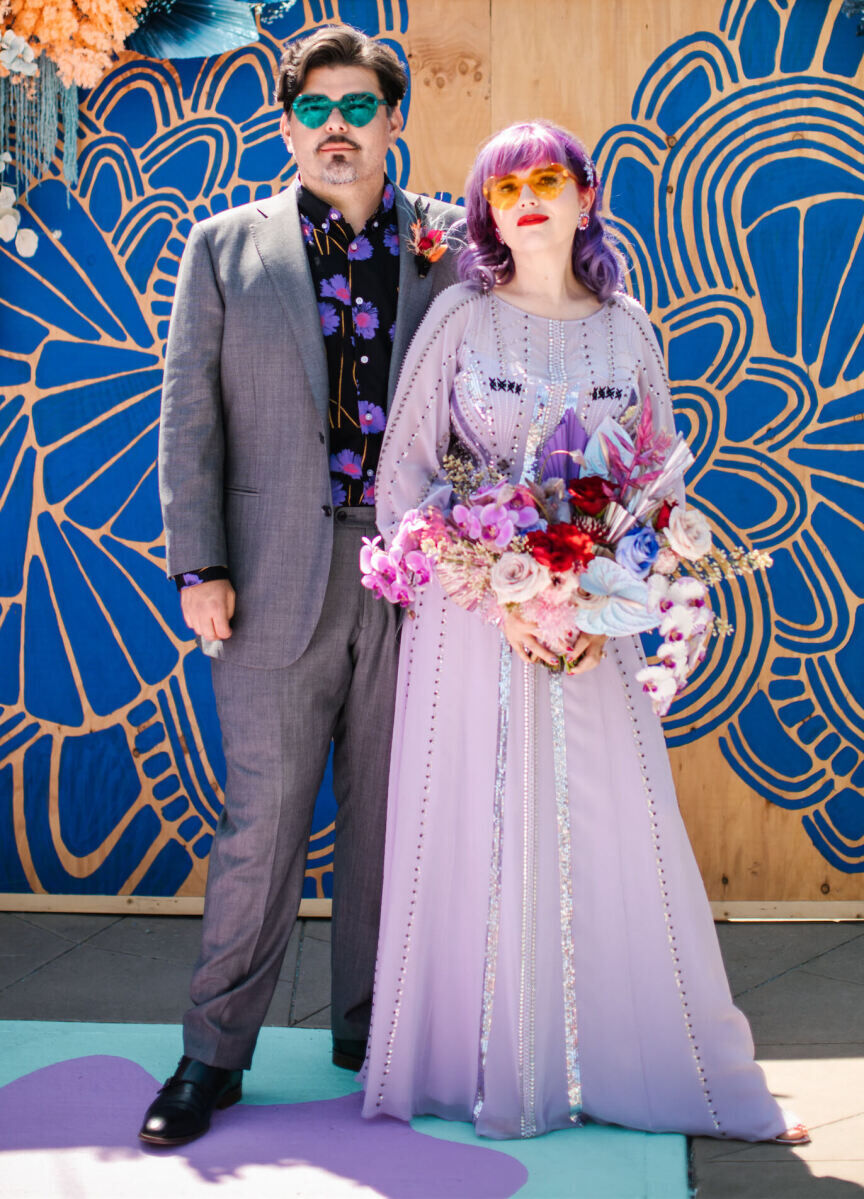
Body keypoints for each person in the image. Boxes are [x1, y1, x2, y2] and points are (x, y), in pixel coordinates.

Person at [360, 120, 809, 1145]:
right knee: (476, 820)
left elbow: (659, 485)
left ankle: (621, 1061)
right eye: (505, 183)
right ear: (484, 208)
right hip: (474, 629)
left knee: (609, 829)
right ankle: (480, 1066)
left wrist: (593, 587)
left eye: (548, 177)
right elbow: (404, 482)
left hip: (591, 625)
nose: (527, 196)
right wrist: (502, 592)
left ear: (583, 198)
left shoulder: (626, 329)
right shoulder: (459, 322)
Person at [141, 25, 461, 1146]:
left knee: (393, 822)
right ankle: (210, 1053)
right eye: (316, 107)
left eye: (359, 106)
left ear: (393, 121)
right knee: (263, 825)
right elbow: (189, 420)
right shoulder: (224, 245)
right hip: (272, 574)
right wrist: (201, 567)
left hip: (420, 578)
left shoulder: (452, 245)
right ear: (288, 125)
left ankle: (372, 1034)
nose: (337, 125)